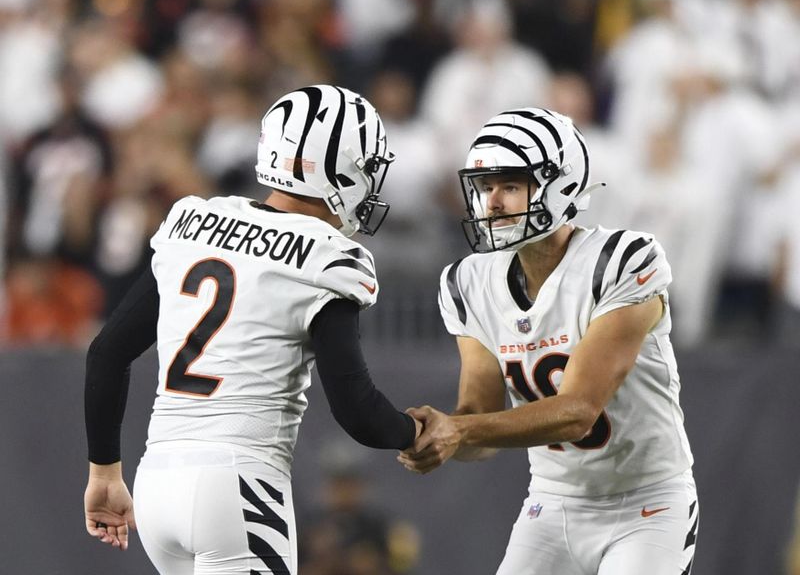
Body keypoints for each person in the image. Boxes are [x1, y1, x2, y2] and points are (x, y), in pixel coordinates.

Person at [83, 84, 421, 574]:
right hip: (238, 482)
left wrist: (103, 472)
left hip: (157, 479)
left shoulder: (192, 221)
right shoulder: (328, 255)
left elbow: (107, 354)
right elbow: (355, 408)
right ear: (338, 169)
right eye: (366, 169)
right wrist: (415, 433)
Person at [398, 108, 698, 574]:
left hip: (647, 503)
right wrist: (439, 437)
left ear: (561, 186)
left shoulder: (622, 260)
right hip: (553, 502)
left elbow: (577, 412)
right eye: (484, 187)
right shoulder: (468, 281)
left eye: (510, 185)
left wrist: (460, 431)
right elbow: (479, 418)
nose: (492, 202)